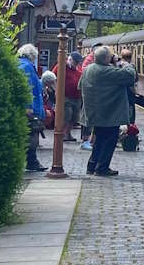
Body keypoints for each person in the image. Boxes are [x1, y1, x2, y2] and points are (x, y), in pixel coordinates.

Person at [78, 45, 137, 177]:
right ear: (106, 59)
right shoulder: (107, 71)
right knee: (109, 140)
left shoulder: (88, 69)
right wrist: (124, 63)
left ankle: (92, 165)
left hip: (94, 112)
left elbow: (79, 86)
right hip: (109, 113)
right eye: (110, 56)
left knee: (99, 140)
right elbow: (130, 76)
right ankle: (102, 167)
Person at [17, 44, 46, 172]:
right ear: (32, 55)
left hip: (30, 105)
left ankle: (31, 161)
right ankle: (32, 161)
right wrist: (28, 107)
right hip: (32, 107)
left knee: (30, 134)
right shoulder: (27, 66)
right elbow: (27, 87)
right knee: (32, 134)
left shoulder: (21, 64)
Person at [55, 51, 84, 142]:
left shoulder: (78, 69)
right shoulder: (61, 66)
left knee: (74, 117)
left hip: (77, 96)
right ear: (70, 60)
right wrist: (57, 90)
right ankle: (62, 133)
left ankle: (68, 133)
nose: (77, 64)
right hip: (65, 96)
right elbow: (53, 76)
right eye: (76, 62)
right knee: (67, 114)